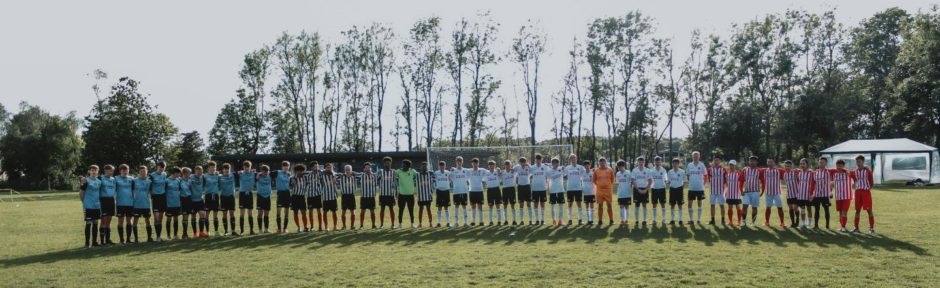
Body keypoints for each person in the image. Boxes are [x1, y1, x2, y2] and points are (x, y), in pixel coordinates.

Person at [850, 155, 875, 235]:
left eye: (859, 161)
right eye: (857, 161)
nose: (858, 163)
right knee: (857, 210)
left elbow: (871, 182)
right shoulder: (854, 171)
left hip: (865, 192)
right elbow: (853, 179)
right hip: (858, 192)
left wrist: (867, 189)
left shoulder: (868, 170)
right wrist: (854, 184)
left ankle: (871, 228)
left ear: (863, 162)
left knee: (869, 210)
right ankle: (856, 228)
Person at [80, 165, 103, 248]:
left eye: (95, 170)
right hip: (88, 205)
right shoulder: (86, 181)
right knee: (88, 223)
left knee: (95, 223)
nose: (93, 172)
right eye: (92, 170)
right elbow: (81, 193)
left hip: (96, 206)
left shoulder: (99, 181)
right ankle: (87, 243)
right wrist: (84, 202)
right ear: (89, 171)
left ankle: (94, 242)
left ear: (97, 172)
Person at [131, 165, 153, 243]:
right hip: (136, 204)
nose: (143, 173)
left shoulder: (150, 181)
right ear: (139, 172)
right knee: (135, 221)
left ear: (147, 171)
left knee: (148, 221)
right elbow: (131, 191)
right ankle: (136, 239)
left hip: (146, 204)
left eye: (144, 171)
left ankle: (149, 238)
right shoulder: (134, 181)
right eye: (141, 171)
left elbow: (151, 192)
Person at [762, 159, 786, 228]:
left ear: (774, 163)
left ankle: (782, 222)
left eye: (771, 162)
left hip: (777, 193)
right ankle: (767, 222)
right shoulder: (764, 170)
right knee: (768, 207)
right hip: (768, 193)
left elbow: (789, 171)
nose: (770, 163)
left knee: (779, 207)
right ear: (767, 163)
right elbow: (755, 169)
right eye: (768, 162)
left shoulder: (779, 170)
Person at [114, 164, 135, 244]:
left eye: (126, 170)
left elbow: (133, 191)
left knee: (129, 221)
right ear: (120, 171)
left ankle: (128, 239)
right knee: (120, 221)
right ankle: (121, 239)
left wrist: (134, 201)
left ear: (128, 170)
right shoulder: (116, 179)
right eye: (123, 170)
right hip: (120, 203)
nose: (125, 171)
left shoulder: (132, 179)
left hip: (130, 203)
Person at [741, 156, 764, 227]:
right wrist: (741, 190)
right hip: (747, 191)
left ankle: (753, 222)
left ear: (757, 162)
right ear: (749, 162)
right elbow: (741, 180)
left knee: (754, 207)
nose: (752, 162)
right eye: (751, 161)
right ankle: (743, 222)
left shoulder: (759, 170)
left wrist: (762, 191)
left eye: (754, 161)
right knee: (744, 206)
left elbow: (763, 181)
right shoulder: (745, 169)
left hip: (755, 191)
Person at [812, 157, 834, 229]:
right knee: (816, 210)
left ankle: (827, 226)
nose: (821, 164)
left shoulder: (828, 172)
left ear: (825, 163)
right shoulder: (816, 172)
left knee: (826, 210)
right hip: (817, 194)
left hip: (825, 195)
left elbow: (830, 183)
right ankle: (816, 225)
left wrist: (830, 192)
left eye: (823, 162)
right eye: (820, 162)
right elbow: (814, 183)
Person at [686, 151, 708, 225]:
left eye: (697, 156)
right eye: (694, 156)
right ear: (692, 157)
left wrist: (703, 184)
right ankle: (691, 220)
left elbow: (705, 175)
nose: (695, 157)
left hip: (700, 188)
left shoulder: (702, 165)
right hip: (691, 188)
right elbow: (688, 175)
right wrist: (691, 182)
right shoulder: (689, 165)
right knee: (689, 204)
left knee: (699, 203)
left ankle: (698, 220)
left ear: (699, 157)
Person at [563, 154, 585, 225]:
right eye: (572, 158)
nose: (573, 160)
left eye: (574, 158)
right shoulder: (567, 168)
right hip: (570, 188)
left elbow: (585, 174)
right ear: (570, 160)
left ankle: (580, 220)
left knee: (579, 204)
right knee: (570, 204)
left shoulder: (580, 167)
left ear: (576, 159)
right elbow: (564, 176)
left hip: (578, 188)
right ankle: (570, 220)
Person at [236, 161, 257, 235]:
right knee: (242, 213)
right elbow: (234, 173)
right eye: (245, 167)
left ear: (250, 167)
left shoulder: (253, 173)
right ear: (243, 167)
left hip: (250, 194)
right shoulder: (240, 173)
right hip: (242, 194)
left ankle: (251, 230)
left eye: (248, 167)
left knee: (250, 213)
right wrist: (239, 172)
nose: (247, 168)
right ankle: (242, 231)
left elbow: (264, 172)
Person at [832, 160, 854, 232]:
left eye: (840, 166)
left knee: (844, 211)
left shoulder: (848, 174)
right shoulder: (835, 174)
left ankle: (843, 227)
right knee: (840, 212)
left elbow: (854, 175)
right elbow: (833, 183)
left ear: (843, 166)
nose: (839, 167)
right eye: (837, 165)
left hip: (846, 196)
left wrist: (846, 171)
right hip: (838, 196)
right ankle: (841, 226)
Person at [396, 159, 418, 228]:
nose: (402, 166)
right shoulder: (398, 171)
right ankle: (400, 224)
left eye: (404, 165)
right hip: (401, 195)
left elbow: (418, 176)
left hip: (410, 195)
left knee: (411, 210)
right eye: (402, 165)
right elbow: (393, 177)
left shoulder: (412, 171)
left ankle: (412, 223)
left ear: (408, 166)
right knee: (401, 210)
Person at [529, 154, 551, 225]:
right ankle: (537, 220)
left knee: (542, 204)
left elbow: (551, 172)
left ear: (542, 159)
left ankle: (543, 220)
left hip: (543, 188)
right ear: (535, 160)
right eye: (537, 159)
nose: (538, 160)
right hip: (535, 189)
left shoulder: (545, 167)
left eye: (539, 159)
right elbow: (525, 172)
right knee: (535, 204)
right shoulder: (532, 167)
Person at [149, 162, 168, 241]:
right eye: (161, 167)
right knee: (156, 217)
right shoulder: (152, 175)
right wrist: (151, 195)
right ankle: (157, 237)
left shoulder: (165, 174)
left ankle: (159, 236)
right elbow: (149, 186)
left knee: (160, 218)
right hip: (155, 197)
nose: (162, 168)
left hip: (163, 197)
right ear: (157, 167)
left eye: (163, 167)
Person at [98, 165, 117, 245]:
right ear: (105, 170)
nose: (111, 172)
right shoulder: (100, 178)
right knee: (103, 220)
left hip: (111, 200)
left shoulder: (113, 179)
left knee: (109, 220)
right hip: (103, 200)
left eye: (112, 171)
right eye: (110, 171)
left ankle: (108, 239)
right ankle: (102, 241)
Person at [594, 158, 616, 226]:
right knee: (600, 205)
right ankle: (600, 220)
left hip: (608, 190)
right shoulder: (596, 170)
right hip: (600, 191)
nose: (602, 163)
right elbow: (594, 180)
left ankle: (611, 220)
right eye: (601, 162)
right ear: (599, 163)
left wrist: (607, 185)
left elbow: (612, 179)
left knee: (609, 205)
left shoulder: (610, 170)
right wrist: (600, 185)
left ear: (605, 162)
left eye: (603, 162)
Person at [795, 158, 816, 230]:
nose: (802, 165)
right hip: (801, 195)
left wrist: (812, 193)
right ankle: (803, 224)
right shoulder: (799, 173)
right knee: (802, 210)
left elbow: (814, 183)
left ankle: (809, 224)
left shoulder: (811, 173)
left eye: (803, 163)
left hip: (808, 195)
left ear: (807, 164)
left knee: (809, 209)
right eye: (801, 164)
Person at [377, 157, 398, 229]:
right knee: (382, 209)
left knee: (391, 209)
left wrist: (396, 193)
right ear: (384, 164)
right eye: (386, 163)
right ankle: (382, 224)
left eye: (388, 162)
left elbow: (395, 183)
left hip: (391, 195)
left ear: (391, 163)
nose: (387, 164)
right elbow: (376, 179)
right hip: (382, 194)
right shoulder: (380, 171)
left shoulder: (394, 172)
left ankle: (393, 224)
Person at [273, 161, 292, 233]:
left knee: (286, 212)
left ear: (289, 166)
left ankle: (285, 228)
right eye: (284, 166)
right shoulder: (277, 172)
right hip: (280, 193)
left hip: (287, 194)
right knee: (278, 212)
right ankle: (279, 228)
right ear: (282, 166)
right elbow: (267, 173)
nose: (286, 167)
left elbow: (291, 184)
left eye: (287, 166)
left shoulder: (289, 174)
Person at [706, 157, 727, 225]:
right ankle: (712, 220)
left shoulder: (723, 169)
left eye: (717, 160)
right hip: (712, 190)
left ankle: (723, 220)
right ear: (713, 161)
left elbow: (726, 179)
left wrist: (726, 187)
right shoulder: (710, 169)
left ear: (720, 161)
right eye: (715, 160)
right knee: (712, 205)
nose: (716, 161)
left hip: (721, 190)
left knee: (722, 205)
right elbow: (709, 179)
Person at [632, 157, 652, 226]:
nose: (640, 163)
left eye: (642, 162)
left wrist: (646, 189)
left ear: (644, 162)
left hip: (645, 189)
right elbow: (633, 180)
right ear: (637, 162)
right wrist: (638, 189)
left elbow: (650, 181)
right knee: (636, 205)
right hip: (637, 189)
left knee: (644, 205)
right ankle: (637, 220)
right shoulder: (634, 170)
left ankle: (644, 220)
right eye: (639, 162)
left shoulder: (648, 170)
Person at [450, 156, 470, 226]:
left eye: (460, 161)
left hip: (464, 191)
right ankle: (456, 222)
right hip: (456, 191)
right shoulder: (453, 171)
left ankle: (465, 222)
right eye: (458, 161)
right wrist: (451, 171)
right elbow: (450, 179)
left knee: (464, 206)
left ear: (462, 162)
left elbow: (471, 175)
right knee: (456, 206)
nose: (459, 162)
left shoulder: (466, 170)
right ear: (456, 162)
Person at [203, 161, 222, 236]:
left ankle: (216, 231)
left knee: (215, 215)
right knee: (206, 215)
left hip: (215, 196)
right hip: (208, 196)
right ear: (208, 168)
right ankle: (207, 231)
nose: (213, 168)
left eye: (214, 167)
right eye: (211, 167)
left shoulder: (218, 175)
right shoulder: (204, 176)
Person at [289, 164, 310, 232]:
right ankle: (298, 227)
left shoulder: (306, 177)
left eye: (301, 171)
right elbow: (293, 185)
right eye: (298, 171)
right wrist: (293, 181)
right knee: (295, 213)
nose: (300, 172)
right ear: (296, 171)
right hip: (295, 196)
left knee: (303, 212)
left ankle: (305, 227)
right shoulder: (292, 177)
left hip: (302, 197)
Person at [219, 163, 237, 235]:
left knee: (232, 214)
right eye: (225, 169)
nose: (226, 170)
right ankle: (226, 231)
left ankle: (233, 231)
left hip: (231, 197)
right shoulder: (219, 177)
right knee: (224, 214)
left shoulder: (233, 175)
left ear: (230, 169)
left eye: (228, 169)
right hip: (223, 197)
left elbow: (244, 172)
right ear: (223, 170)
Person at [320, 163, 339, 231]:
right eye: (327, 167)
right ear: (325, 168)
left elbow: (343, 174)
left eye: (330, 167)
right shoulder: (321, 174)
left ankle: (335, 226)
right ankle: (326, 227)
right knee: (325, 212)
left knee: (334, 212)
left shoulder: (334, 174)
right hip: (325, 196)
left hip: (333, 196)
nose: (329, 169)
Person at [164, 167, 183, 240]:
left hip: (177, 203)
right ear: (175, 173)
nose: (180, 174)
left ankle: (175, 235)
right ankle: (168, 236)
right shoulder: (167, 180)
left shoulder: (178, 181)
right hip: (169, 204)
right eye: (179, 173)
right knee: (169, 219)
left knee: (176, 219)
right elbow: (164, 192)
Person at [666, 159, 686, 225]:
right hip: (672, 189)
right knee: (672, 204)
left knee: (680, 204)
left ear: (678, 164)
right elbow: (668, 181)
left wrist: (681, 187)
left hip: (679, 189)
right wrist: (667, 183)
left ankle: (680, 220)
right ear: (672, 164)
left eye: (676, 163)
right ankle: (672, 220)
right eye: (674, 163)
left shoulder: (682, 171)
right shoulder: (669, 172)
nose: (675, 164)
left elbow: (684, 181)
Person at [724, 160, 744, 226]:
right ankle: (730, 221)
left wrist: (741, 191)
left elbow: (742, 182)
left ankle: (739, 221)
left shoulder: (739, 174)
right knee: (730, 208)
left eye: (732, 165)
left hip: (737, 194)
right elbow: (726, 184)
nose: (731, 166)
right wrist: (725, 192)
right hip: (729, 194)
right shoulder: (727, 174)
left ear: (735, 166)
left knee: (738, 208)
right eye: (730, 165)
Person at [338, 165, 358, 230]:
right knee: (343, 211)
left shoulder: (354, 176)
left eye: (349, 169)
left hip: (351, 196)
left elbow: (362, 174)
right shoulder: (341, 176)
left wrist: (355, 173)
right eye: (346, 169)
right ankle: (344, 226)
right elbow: (333, 174)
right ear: (344, 170)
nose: (348, 171)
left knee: (352, 211)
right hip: (344, 196)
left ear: (351, 170)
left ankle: (352, 226)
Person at [514, 158, 533, 225]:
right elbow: (511, 170)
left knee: (529, 204)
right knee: (521, 204)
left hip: (527, 186)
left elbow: (533, 171)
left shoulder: (528, 167)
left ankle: (530, 220)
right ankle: (521, 220)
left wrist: (529, 165)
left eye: (524, 162)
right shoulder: (517, 167)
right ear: (519, 162)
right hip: (520, 187)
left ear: (526, 162)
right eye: (521, 162)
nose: (522, 163)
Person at [360, 163, 379, 229]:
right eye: (366, 168)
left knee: (372, 211)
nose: (368, 169)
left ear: (371, 168)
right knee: (362, 211)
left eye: (369, 167)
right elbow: (350, 173)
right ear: (364, 169)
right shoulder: (361, 175)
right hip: (364, 197)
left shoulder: (374, 175)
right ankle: (361, 225)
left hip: (371, 197)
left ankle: (373, 225)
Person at [649, 157, 668, 225]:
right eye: (656, 162)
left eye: (659, 162)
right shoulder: (651, 170)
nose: (657, 163)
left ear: (661, 162)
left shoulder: (663, 170)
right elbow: (649, 179)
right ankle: (654, 220)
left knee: (663, 204)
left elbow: (666, 178)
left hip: (662, 188)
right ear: (654, 162)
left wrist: (666, 180)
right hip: (654, 189)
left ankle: (663, 220)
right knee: (654, 205)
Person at [190, 166, 208, 238]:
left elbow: (211, 174)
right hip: (192, 200)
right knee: (193, 216)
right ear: (195, 171)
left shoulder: (203, 177)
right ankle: (194, 233)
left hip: (200, 200)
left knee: (203, 214)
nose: (200, 172)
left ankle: (201, 232)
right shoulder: (191, 177)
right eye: (198, 171)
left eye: (201, 171)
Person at [433, 161, 452, 227]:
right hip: (439, 191)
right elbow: (434, 180)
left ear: (445, 166)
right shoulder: (436, 173)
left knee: (446, 207)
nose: (442, 167)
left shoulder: (448, 172)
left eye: (443, 166)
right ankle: (438, 223)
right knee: (439, 207)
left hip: (446, 191)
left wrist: (446, 185)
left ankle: (448, 223)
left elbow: (450, 179)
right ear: (439, 166)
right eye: (440, 166)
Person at [547, 158, 566, 226]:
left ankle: (560, 220)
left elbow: (566, 172)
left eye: (557, 163)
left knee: (561, 206)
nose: (556, 165)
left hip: (560, 190)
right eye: (554, 163)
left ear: (558, 163)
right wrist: (548, 189)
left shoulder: (561, 169)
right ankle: (553, 220)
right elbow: (548, 180)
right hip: (553, 190)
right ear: (552, 164)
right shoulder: (549, 171)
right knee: (552, 206)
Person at [468, 158, 486, 226]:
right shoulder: (469, 171)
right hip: (472, 191)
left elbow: (490, 171)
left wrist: (498, 169)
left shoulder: (482, 170)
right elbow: (461, 169)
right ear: (472, 164)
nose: (475, 165)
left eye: (476, 163)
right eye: (474, 163)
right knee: (473, 206)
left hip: (479, 191)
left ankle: (481, 221)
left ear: (478, 163)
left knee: (480, 206)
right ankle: (473, 221)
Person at [255, 165, 273, 233]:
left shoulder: (270, 176)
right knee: (260, 214)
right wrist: (257, 176)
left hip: (267, 196)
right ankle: (260, 230)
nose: (265, 173)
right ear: (261, 171)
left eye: (267, 172)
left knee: (266, 214)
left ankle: (266, 229)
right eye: (264, 172)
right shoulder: (257, 176)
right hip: (260, 196)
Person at [416, 162, 435, 227]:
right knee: (420, 209)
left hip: (428, 195)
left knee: (428, 209)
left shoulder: (430, 174)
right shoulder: (417, 175)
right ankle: (420, 223)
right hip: (421, 196)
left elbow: (431, 185)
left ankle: (430, 223)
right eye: (423, 166)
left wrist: (431, 193)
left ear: (427, 167)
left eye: (425, 166)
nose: (424, 167)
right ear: (421, 167)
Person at [484, 160, 502, 225]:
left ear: (495, 165)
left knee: (498, 206)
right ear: (488, 166)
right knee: (490, 206)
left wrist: (499, 172)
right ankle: (490, 221)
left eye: (493, 165)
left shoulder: (498, 172)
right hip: (490, 190)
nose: (491, 166)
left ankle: (499, 221)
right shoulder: (486, 173)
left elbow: (502, 176)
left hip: (497, 189)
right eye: (490, 165)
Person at [500, 160, 518, 225]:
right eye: (506, 165)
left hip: (512, 189)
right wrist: (498, 169)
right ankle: (505, 220)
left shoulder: (514, 171)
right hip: (505, 190)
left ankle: (514, 220)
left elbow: (519, 166)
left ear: (511, 165)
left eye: (509, 165)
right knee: (505, 205)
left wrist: (527, 164)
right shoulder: (502, 173)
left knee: (512, 205)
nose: (507, 166)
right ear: (504, 166)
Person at [615, 160, 633, 226]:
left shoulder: (628, 173)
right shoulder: (617, 174)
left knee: (627, 207)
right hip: (620, 194)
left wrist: (630, 187)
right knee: (621, 207)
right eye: (618, 167)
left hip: (627, 193)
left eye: (621, 167)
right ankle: (622, 220)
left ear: (624, 166)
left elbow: (631, 182)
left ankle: (627, 220)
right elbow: (617, 183)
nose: (620, 168)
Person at [783, 160, 799, 228]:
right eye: (786, 166)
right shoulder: (785, 174)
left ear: (791, 166)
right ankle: (793, 223)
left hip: (796, 194)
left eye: (789, 166)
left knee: (795, 208)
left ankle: (797, 220)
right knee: (790, 208)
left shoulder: (795, 173)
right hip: (789, 194)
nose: (787, 167)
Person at [307, 161, 323, 231]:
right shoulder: (308, 175)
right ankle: (312, 226)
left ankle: (320, 227)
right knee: (310, 211)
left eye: (317, 166)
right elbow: (295, 175)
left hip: (318, 195)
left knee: (319, 211)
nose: (316, 168)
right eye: (315, 167)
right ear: (311, 167)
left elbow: (332, 172)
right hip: (310, 195)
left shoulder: (321, 173)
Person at [179, 167, 193, 239]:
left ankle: (189, 233)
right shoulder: (179, 180)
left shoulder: (190, 181)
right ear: (183, 173)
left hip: (189, 199)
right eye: (188, 173)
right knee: (185, 216)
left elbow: (191, 190)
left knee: (189, 216)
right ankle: (184, 234)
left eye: (189, 173)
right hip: (182, 200)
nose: (189, 174)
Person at [581, 160, 596, 225]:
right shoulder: (582, 172)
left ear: (590, 165)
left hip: (592, 192)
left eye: (588, 165)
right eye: (585, 165)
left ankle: (592, 220)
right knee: (587, 206)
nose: (587, 166)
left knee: (592, 206)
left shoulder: (593, 172)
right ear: (584, 166)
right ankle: (588, 220)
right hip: (585, 192)